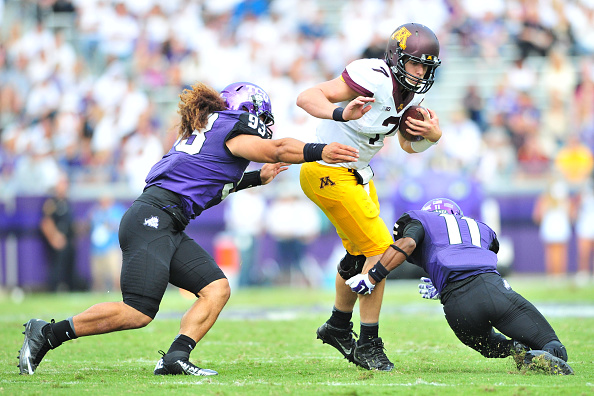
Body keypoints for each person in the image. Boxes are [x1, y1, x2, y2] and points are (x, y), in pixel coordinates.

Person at [18, 81, 359, 376]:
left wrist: (257, 177)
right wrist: (320, 151)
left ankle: (176, 357)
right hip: (153, 219)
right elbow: (278, 148)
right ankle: (47, 333)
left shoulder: (209, 134)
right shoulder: (231, 125)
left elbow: (208, 189)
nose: (264, 126)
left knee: (216, 288)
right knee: (137, 311)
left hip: (164, 221)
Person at [296, 23, 442, 371]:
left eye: (427, 66)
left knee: (360, 252)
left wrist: (432, 136)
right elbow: (306, 96)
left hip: (358, 173)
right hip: (326, 167)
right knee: (380, 249)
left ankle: (337, 325)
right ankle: (369, 343)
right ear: (395, 58)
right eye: (415, 63)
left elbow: (407, 145)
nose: (420, 72)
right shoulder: (372, 75)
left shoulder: (412, 95)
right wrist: (340, 111)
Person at [345, 198, 574, 375]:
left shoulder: (421, 220)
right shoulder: (480, 228)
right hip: (494, 291)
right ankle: (539, 353)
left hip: (458, 308)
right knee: (555, 347)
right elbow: (481, 255)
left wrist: (372, 277)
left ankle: (517, 349)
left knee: (488, 345)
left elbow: (409, 243)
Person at [39, 173, 87, 292]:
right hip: (59, 240)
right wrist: (54, 237)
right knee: (57, 267)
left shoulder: (67, 202)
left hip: (69, 239)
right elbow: (46, 222)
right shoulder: (51, 203)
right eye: (62, 183)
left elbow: (70, 222)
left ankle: (71, 288)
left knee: (70, 267)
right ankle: (54, 289)